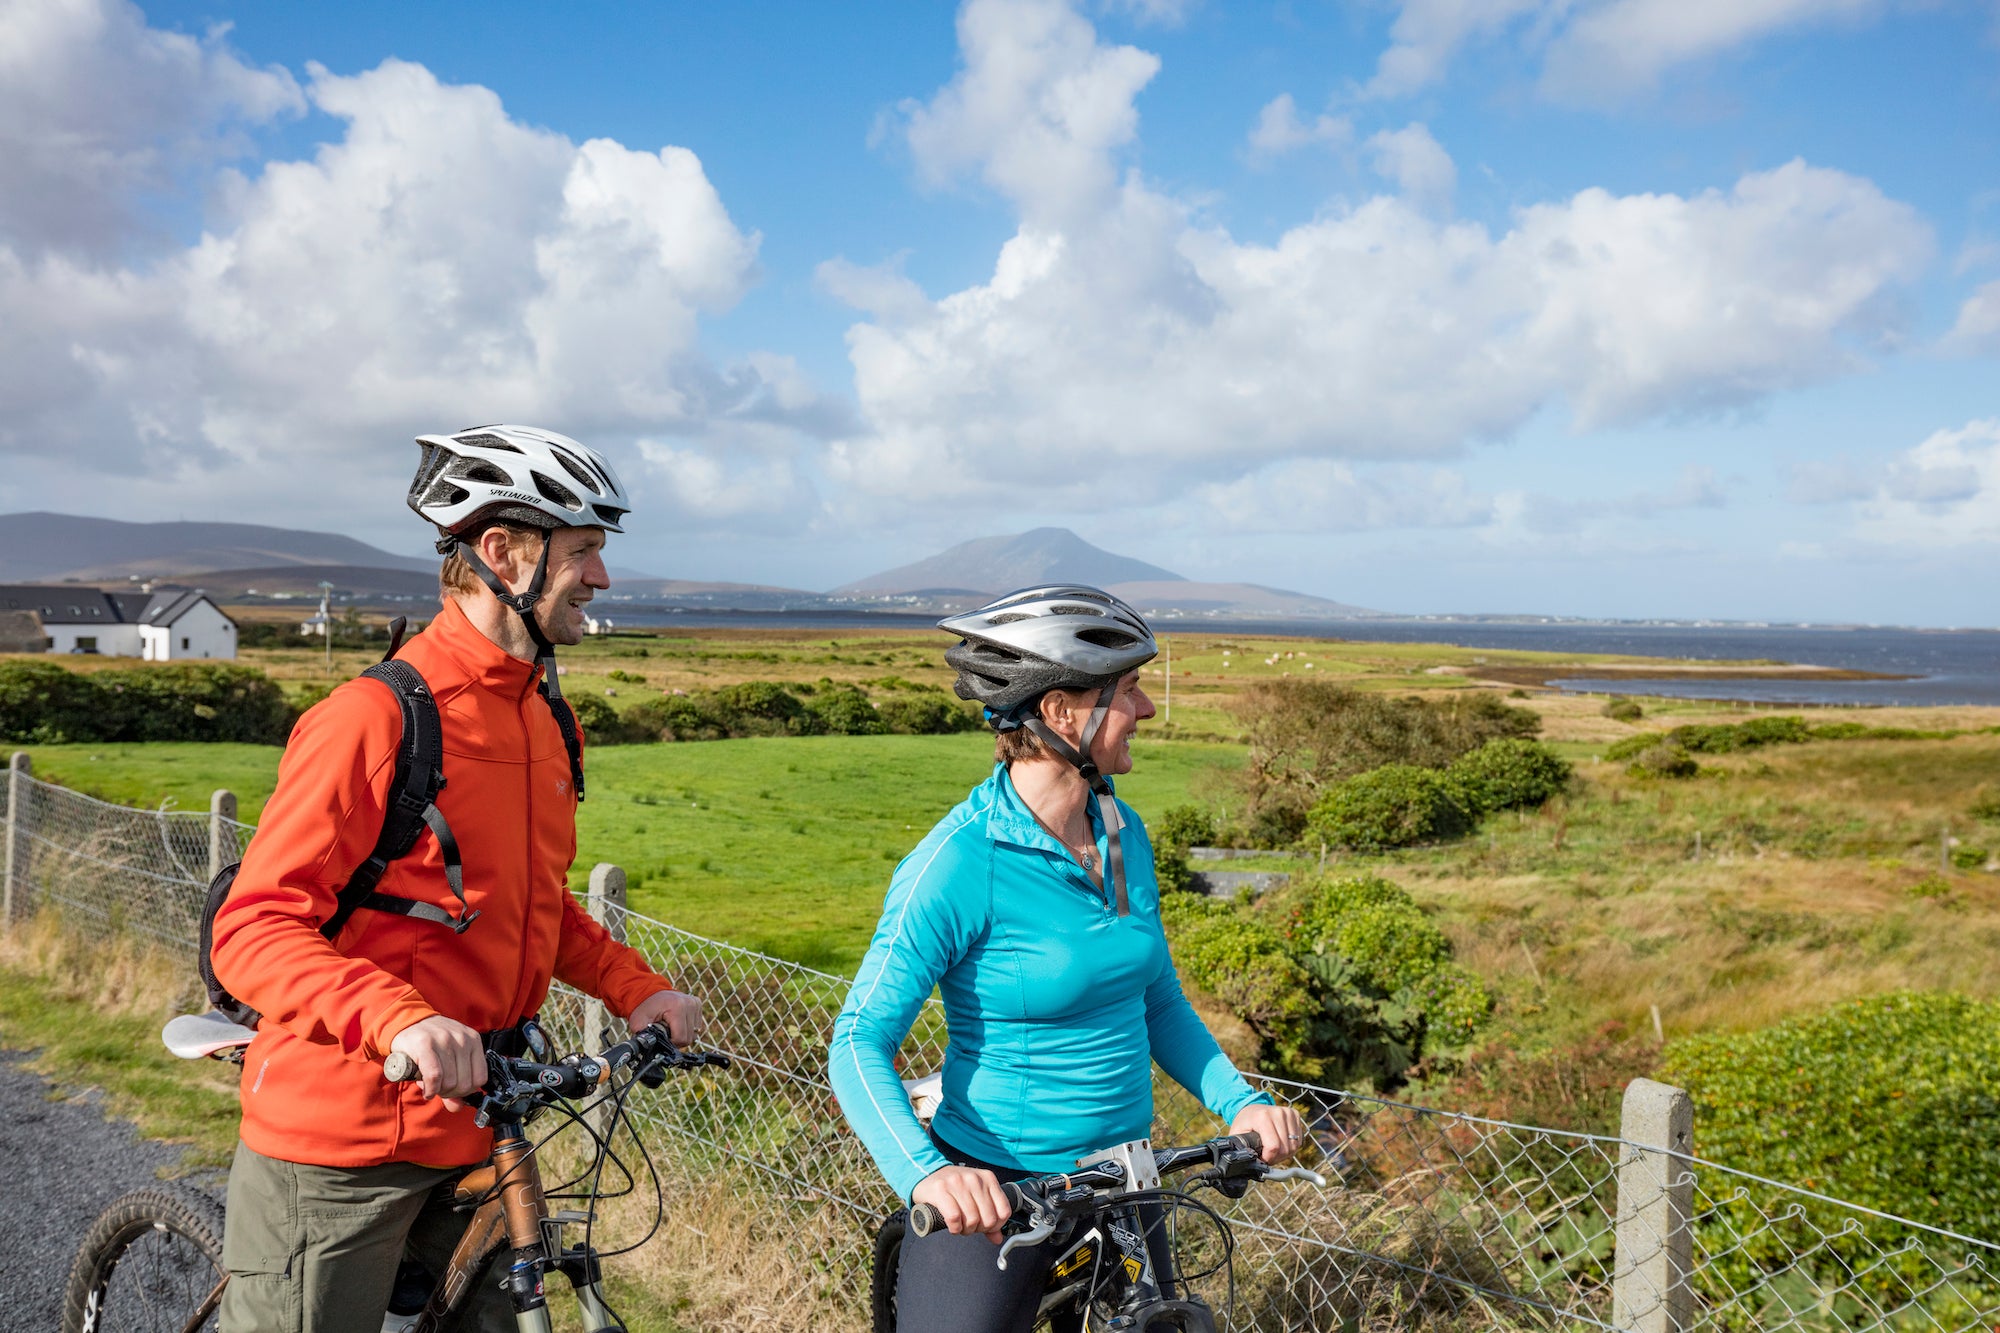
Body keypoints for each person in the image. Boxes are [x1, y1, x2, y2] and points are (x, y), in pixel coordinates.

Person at [209, 424, 703, 1333]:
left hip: (484, 1128)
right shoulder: (372, 719)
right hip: (342, 1147)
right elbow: (253, 929)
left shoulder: (548, 721)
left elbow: (531, 909)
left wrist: (639, 988)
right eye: (584, 550)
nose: (601, 578)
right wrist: (399, 1017)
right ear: (501, 551)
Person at [828, 584, 1307, 1333]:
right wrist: (932, 1176)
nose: (1146, 709)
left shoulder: (1125, 832)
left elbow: (1157, 1001)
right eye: (1130, 690)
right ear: (1060, 712)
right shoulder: (960, 862)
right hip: (999, 1193)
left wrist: (1239, 1101)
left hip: (1126, 1181)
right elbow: (858, 1041)